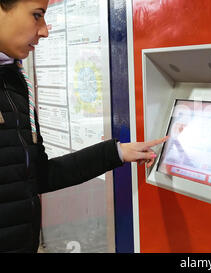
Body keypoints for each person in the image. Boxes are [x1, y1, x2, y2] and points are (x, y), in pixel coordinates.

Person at [0, 0, 168, 252]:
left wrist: (118, 153)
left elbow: (38, 176)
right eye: (37, 15)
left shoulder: (13, 82)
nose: (45, 30)